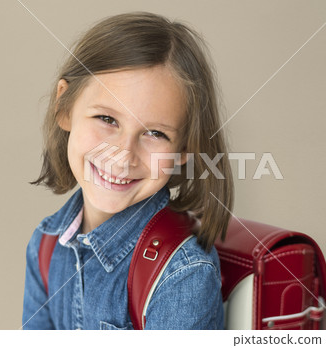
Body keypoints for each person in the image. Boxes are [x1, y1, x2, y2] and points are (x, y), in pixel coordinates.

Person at [22, 12, 233, 330]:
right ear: (64, 108)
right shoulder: (46, 243)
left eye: (155, 133)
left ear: (184, 151)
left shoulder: (183, 274)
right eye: (107, 119)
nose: (123, 157)